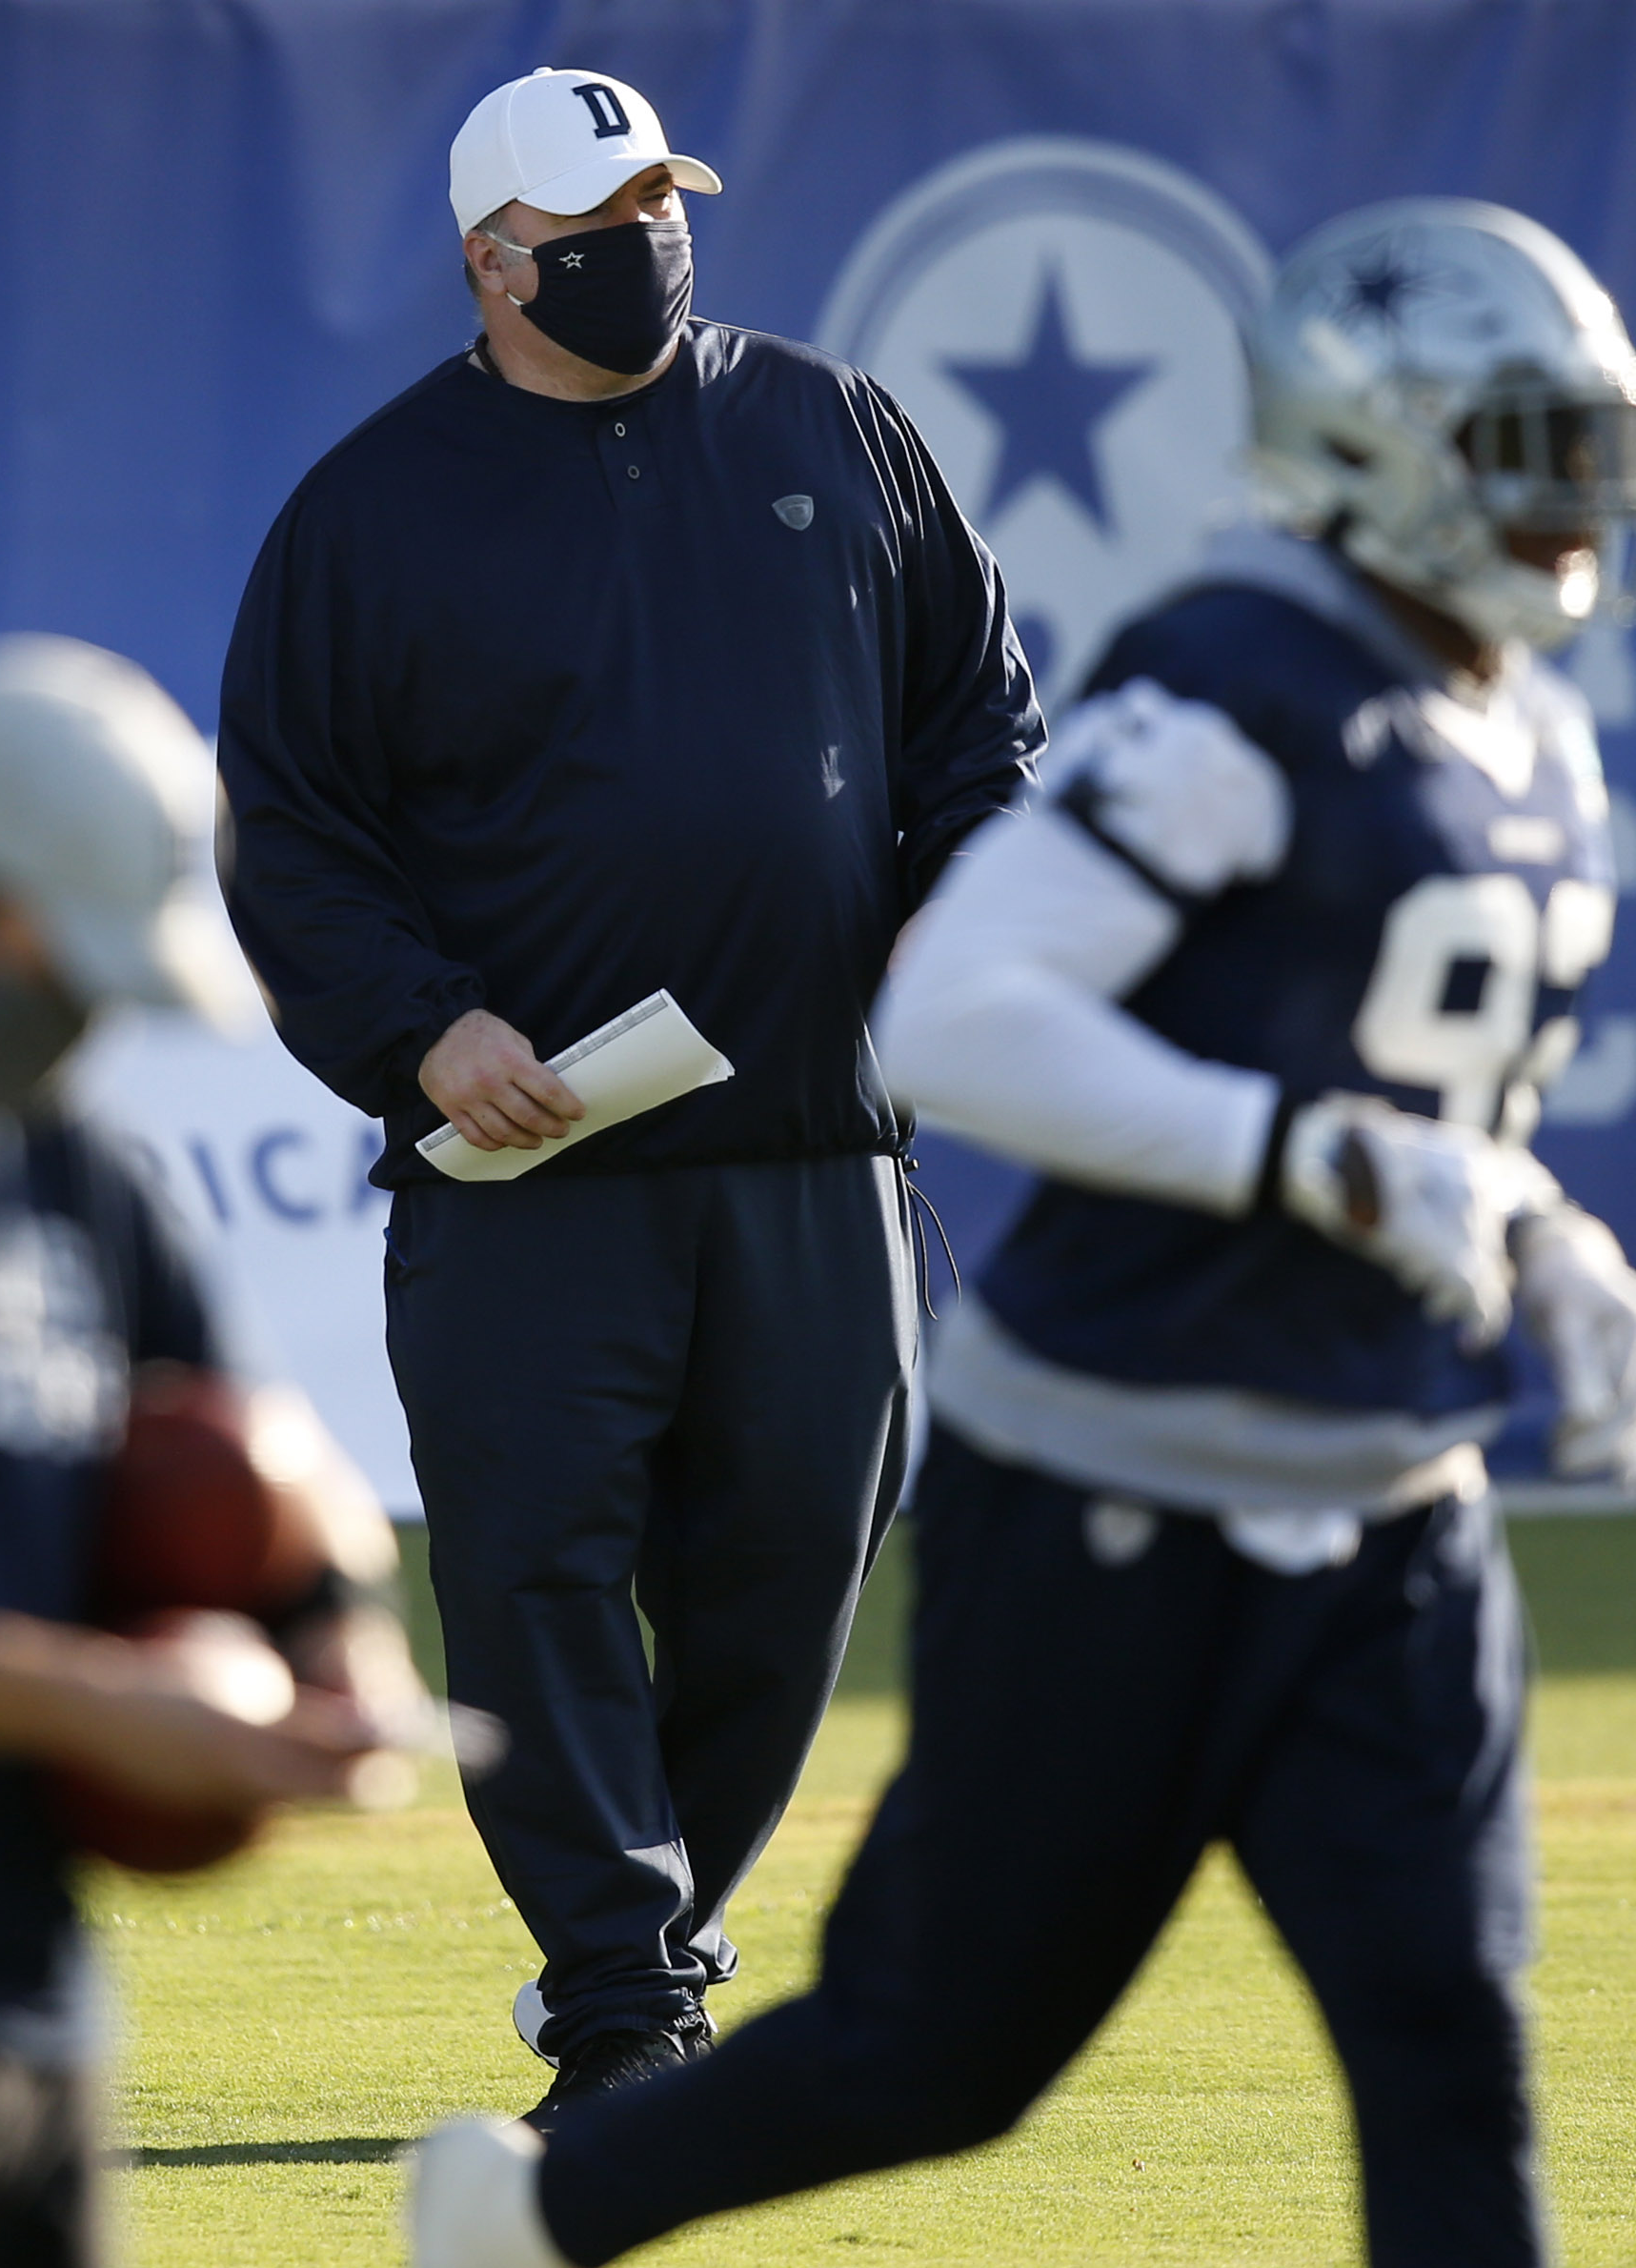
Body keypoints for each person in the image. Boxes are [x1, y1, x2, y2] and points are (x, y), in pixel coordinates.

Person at [401, 198, 1636, 2268]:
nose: (1573, 509)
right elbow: (963, 1014)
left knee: (1451, 2037)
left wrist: (1537, 1236)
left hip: (1385, 1498)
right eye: (1523, 448)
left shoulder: (1532, 733)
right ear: (1378, 447)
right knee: (940, 2047)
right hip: (1121, 1484)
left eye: (1586, 448)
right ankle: (536, 2217)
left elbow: (1418, 1110)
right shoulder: (1243, 680)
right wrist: (1320, 1164)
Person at [216, 65, 1041, 2128]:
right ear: (497, 266)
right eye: (597, 225)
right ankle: (620, 2000)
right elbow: (294, 830)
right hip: (531, 1156)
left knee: (791, 1563)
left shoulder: (830, 429)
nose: (645, 246)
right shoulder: (374, 506)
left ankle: (646, 1939)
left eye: (664, 205)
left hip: (815, 1140)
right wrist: (420, 1029)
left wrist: (958, 930)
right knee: (535, 1565)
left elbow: (976, 728)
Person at [0, 635, 420, 2268]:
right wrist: (98, 1702)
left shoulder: (74, 1169)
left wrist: (332, 1644)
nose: (82, 1009)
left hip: (27, 2021)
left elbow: (255, 1461)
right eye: (57, 952)